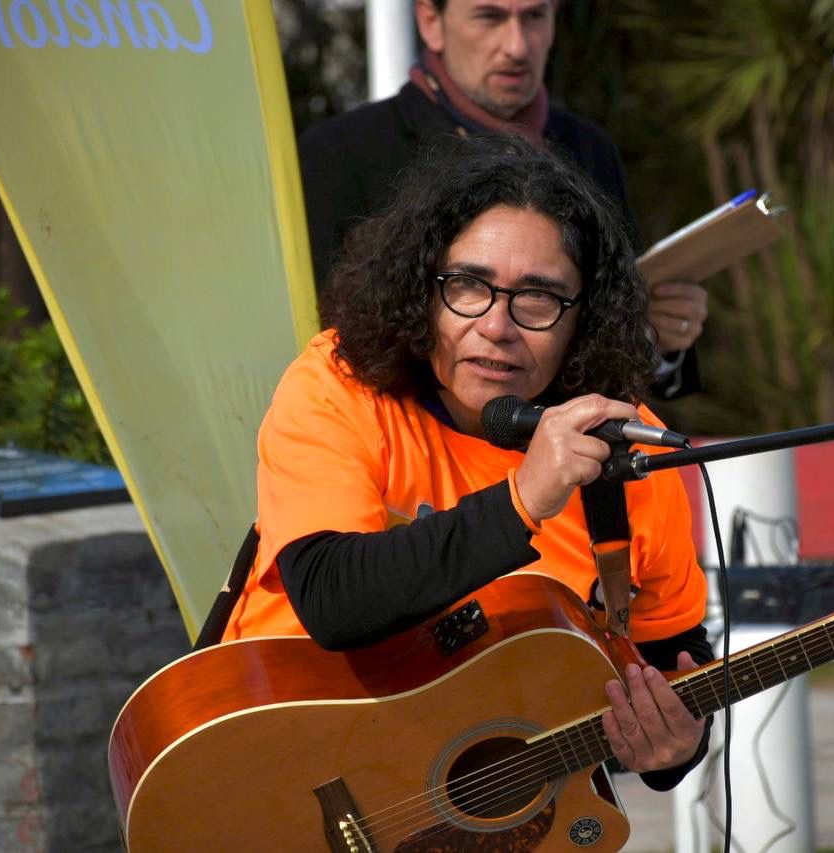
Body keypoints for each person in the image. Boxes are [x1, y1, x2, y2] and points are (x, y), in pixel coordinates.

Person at [225, 136, 713, 788]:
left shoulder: (624, 446)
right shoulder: (337, 385)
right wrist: (523, 499)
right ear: (420, 289)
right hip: (285, 776)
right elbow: (333, 599)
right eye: (468, 285)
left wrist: (678, 745)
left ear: (583, 320)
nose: (496, 325)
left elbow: (669, 654)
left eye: (538, 299)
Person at [298, 0, 707, 397]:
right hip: (409, 449)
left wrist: (661, 338)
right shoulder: (341, 153)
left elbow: (614, 342)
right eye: (489, 17)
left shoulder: (589, 149)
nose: (516, 45)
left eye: (534, 17)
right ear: (430, 21)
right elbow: (334, 341)